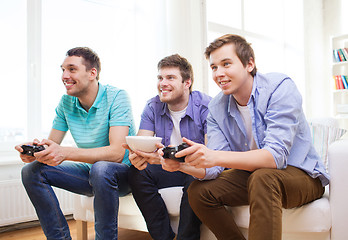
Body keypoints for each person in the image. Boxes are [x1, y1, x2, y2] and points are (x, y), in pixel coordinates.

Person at [177, 34, 330, 240]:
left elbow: (274, 157)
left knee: (263, 177)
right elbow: (213, 169)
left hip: (302, 175)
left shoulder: (279, 87)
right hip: (257, 176)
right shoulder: (216, 107)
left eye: (226, 64)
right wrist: (180, 165)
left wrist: (213, 155)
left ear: (249, 64)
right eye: (214, 67)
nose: (219, 73)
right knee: (198, 191)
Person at [15, 47, 136, 240]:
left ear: (92, 73)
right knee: (31, 171)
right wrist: (36, 153)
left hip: (122, 175)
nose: (64, 76)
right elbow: (52, 145)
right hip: (91, 174)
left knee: (102, 169)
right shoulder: (66, 103)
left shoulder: (117, 97)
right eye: (62, 70)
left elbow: (116, 154)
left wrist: (65, 152)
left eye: (71, 69)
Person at [123, 54, 211, 240]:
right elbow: (142, 145)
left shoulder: (206, 106)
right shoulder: (152, 106)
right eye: (160, 78)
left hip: (194, 167)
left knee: (194, 176)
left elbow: (210, 154)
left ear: (187, 82)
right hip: (165, 166)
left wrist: (181, 161)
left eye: (170, 78)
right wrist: (137, 155)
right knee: (137, 172)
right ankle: (164, 237)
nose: (162, 83)